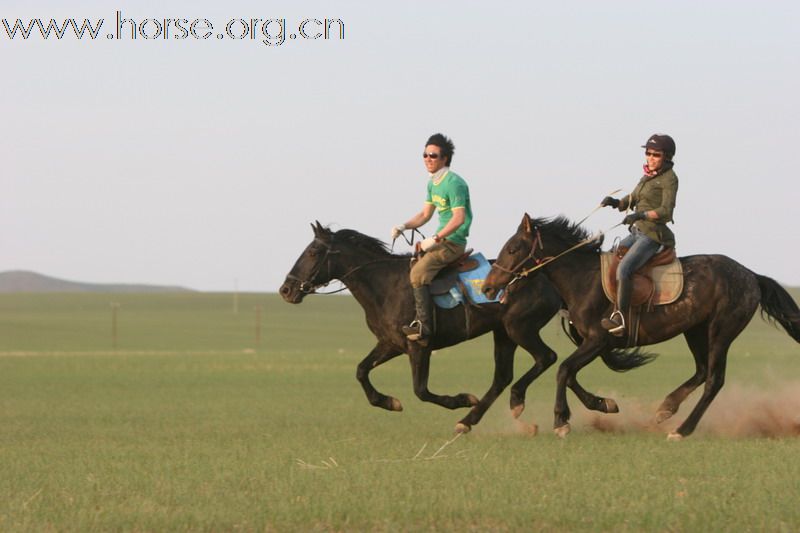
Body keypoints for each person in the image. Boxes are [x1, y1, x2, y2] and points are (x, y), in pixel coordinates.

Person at [391, 133, 473, 345]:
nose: (428, 159)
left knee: (418, 274)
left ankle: (424, 327)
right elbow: (425, 215)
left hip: (453, 241)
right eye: (425, 155)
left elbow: (458, 218)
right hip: (440, 239)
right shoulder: (433, 183)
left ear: (444, 159)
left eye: (433, 155)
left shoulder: (454, 183)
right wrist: (404, 226)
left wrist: (435, 239)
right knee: (411, 265)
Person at [599, 133, 679, 336]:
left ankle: (621, 319)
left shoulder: (670, 179)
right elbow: (633, 197)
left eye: (656, 155)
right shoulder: (647, 176)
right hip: (636, 231)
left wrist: (640, 214)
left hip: (653, 236)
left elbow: (665, 211)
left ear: (666, 157)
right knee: (608, 258)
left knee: (624, 270)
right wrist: (617, 203)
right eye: (648, 153)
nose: (650, 158)